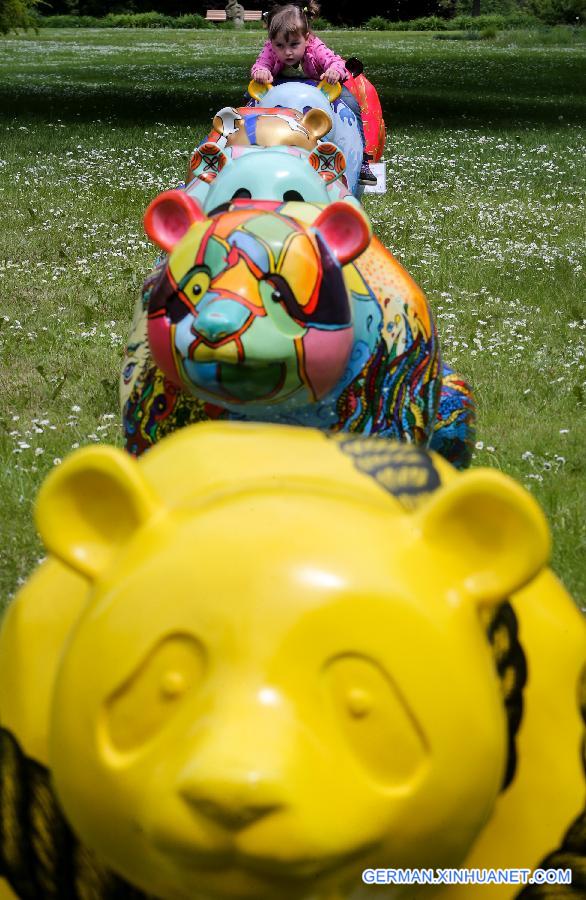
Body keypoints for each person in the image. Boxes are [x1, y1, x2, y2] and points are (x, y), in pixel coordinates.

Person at [251, 0, 377, 185]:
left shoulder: (315, 47)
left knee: (350, 103)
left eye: (294, 44)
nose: (287, 52)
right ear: (272, 42)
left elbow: (337, 63)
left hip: (319, 90)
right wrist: (261, 73)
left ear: (307, 38)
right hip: (280, 90)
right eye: (280, 46)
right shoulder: (270, 48)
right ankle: (244, 142)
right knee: (249, 101)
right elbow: (260, 65)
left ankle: (362, 159)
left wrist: (334, 72)